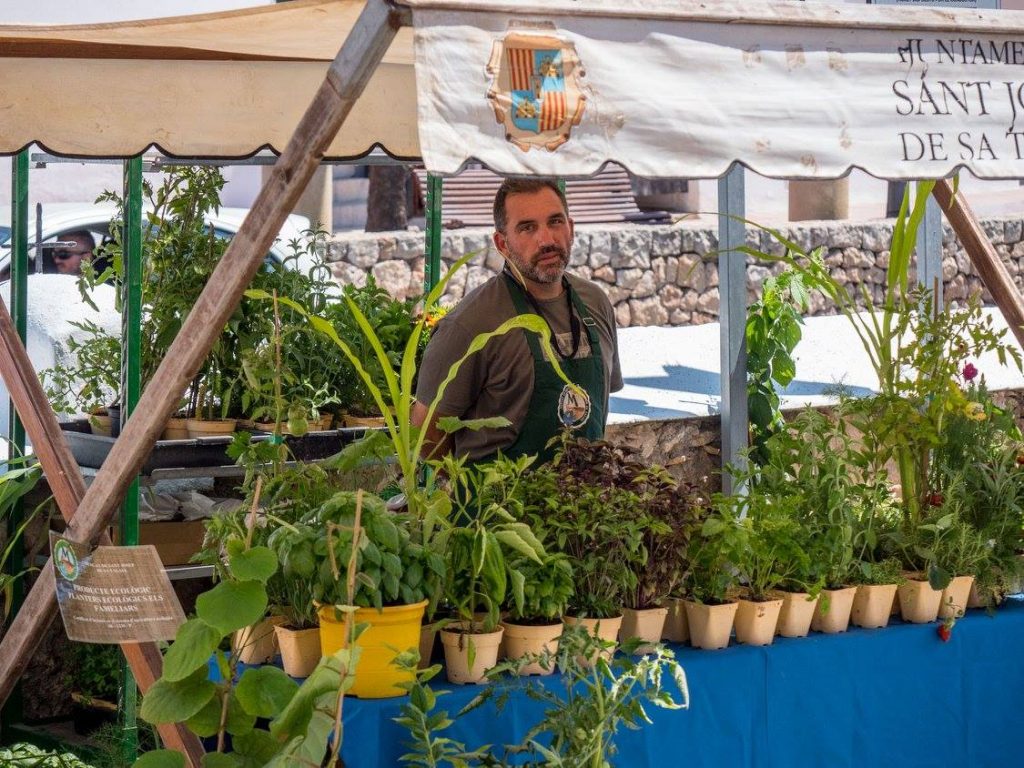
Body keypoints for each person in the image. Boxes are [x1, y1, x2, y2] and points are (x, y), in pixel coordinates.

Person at [413, 177, 623, 463]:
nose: (547, 240)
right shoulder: (469, 324)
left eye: (555, 222)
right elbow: (425, 435)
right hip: (500, 504)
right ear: (502, 243)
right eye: (527, 228)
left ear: (571, 228)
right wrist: (471, 496)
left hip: (586, 502)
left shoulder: (595, 303)